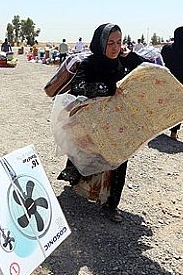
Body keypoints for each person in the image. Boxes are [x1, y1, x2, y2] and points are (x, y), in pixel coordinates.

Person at [57, 23, 144, 223]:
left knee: (119, 162)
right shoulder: (90, 63)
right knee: (87, 157)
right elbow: (79, 87)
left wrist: (130, 55)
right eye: (110, 42)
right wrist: (109, 89)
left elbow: (148, 69)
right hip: (94, 123)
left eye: (119, 42)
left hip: (119, 124)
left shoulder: (122, 62)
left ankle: (111, 204)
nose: (115, 47)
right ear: (100, 42)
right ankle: (76, 180)